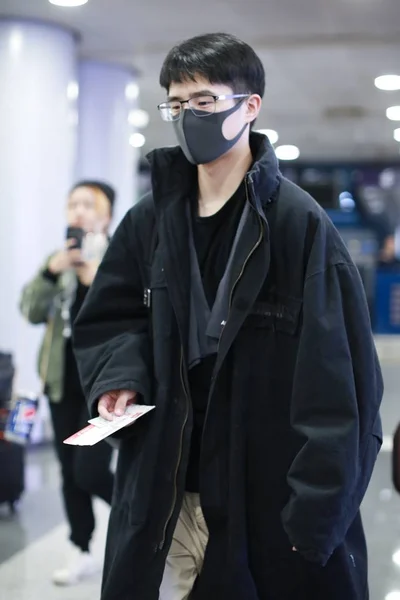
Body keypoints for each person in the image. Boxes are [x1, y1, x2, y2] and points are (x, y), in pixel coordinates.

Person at [73, 33, 384, 600]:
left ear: (250, 107)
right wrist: (118, 376)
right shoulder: (149, 223)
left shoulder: (299, 227)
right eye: (176, 104)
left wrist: (313, 513)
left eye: (204, 102)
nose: (187, 116)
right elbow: (111, 318)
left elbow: (341, 385)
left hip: (262, 499)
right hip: (162, 495)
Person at [20, 180, 116, 586]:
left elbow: (131, 312)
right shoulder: (57, 262)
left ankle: (150, 523)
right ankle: (81, 547)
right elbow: (30, 310)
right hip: (62, 385)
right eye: (72, 204)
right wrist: (51, 270)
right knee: (68, 471)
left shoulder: (118, 257)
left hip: (105, 387)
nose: (78, 211)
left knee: (90, 471)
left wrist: (94, 277)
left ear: (106, 215)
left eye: (88, 204)